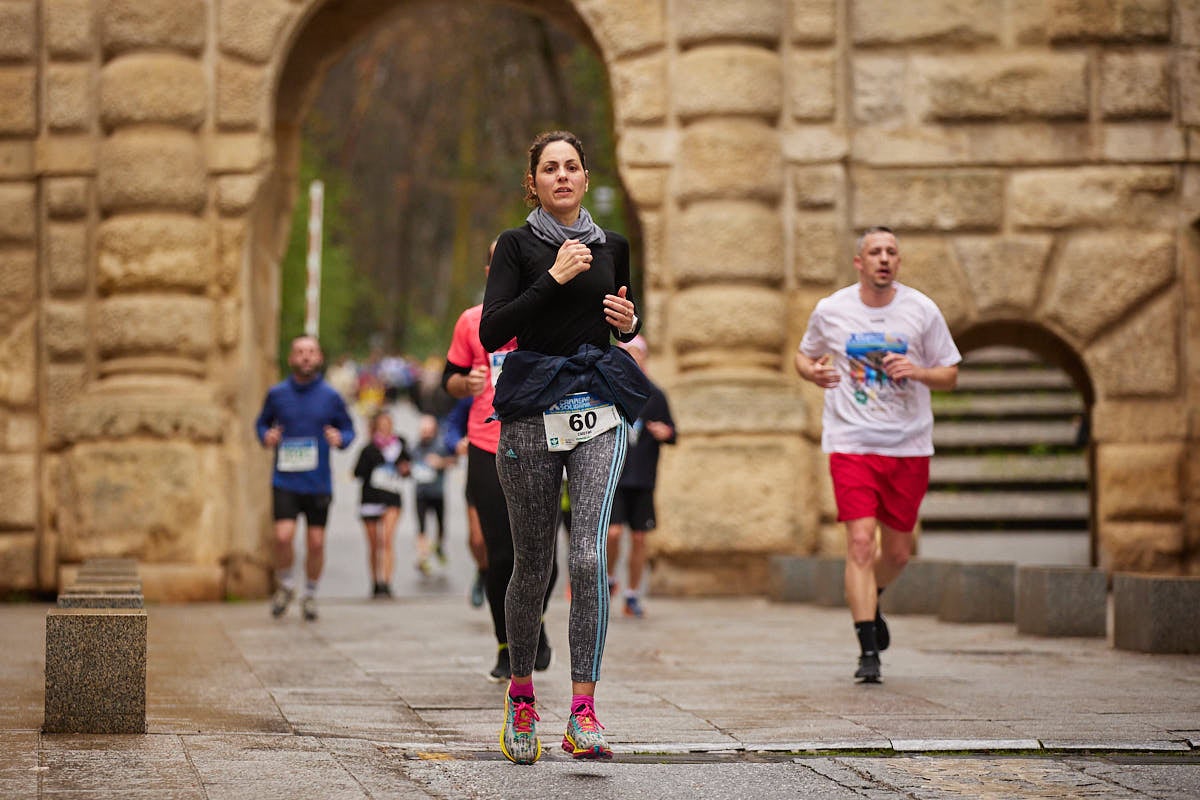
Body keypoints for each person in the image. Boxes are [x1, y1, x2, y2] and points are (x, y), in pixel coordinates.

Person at [479, 130, 648, 764]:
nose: (562, 177)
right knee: (534, 566)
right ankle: (522, 697)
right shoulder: (518, 247)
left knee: (585, 557)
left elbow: (626, 316)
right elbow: (494, 329)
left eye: (572, 166)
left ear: (584, 176)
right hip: (530, 408)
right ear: (534, 182)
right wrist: (552, 277)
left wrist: (630, 325)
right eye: (549, 168)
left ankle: (582, 710)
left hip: (595, 403)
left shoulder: (614, 245)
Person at [794, 226, 960, 684]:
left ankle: (872, 596)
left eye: (891, 252)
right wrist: (814, 374)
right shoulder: (832, 310)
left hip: (908, 444)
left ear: (898, 262)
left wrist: (920, 371)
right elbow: (803, 357)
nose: (884, 258)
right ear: (859, 262)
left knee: (900, 552)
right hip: (852, 441)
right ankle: (868, 649)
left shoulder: (921, 310)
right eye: (875, 251)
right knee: (861, 542)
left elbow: (950, 374)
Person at [443, 240, 557, 682]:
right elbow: (447, 380)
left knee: (545, 556)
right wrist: (465, 384)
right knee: (500, 555)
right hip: (487, 442)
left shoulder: (546, 317)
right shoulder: (472, 321)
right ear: (492, 270)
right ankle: (508, 645)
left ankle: (534, 621)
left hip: (542, 441)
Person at [255, 335, 356, 621]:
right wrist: (267, 436)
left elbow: (348, 429)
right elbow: (261, 423)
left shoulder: (331, 396)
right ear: (291, 358)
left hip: (318, 481)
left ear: (320, 357)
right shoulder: (277, 394)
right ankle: (286, 584)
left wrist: (340, 438)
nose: (306, 357)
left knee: (315, 543)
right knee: (283, 536)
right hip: (285, 479)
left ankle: (310, 593)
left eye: (311, 352)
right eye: (300, 352)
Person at [606, 335, 675, 618]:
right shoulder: (609, 390)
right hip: (615, 475)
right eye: (627, 353)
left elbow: (673, 431)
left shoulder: (656, 395)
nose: (633, 358)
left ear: (646, 358)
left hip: (643, 477)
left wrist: (665, 432)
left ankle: (632, 594)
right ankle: (610, 577)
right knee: (613, 532)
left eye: (638, 353)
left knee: (639, 539)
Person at [352, 410, 412, 597]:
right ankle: (375, 582)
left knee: (386, 539)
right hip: (370, 498)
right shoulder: (368, 448)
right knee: (374, 544)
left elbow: (409, 468)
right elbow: (357, 473)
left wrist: (404, 469)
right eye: (382, 424)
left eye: (388, 424)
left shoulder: (400, 445)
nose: (385, 427)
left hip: (392, 497)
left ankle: (386, 581)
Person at [443, 395, 488, 608]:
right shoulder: (475, 392)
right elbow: (452, 425)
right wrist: (456, 442)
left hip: (512, 467)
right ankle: (483, 571)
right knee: (477, 539)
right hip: (478, 470)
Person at [410, 413, 455, 573]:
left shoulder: (440, 446)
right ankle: (422, 558)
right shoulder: (414, 447)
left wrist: (440, 462)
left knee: (440, 525)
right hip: (421, 493)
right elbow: (407, 464)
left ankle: (439, 546)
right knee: (421, 527)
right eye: (423, 430)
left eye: (428, 430)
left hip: (437, 493)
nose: (425, 434)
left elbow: (454, 461)